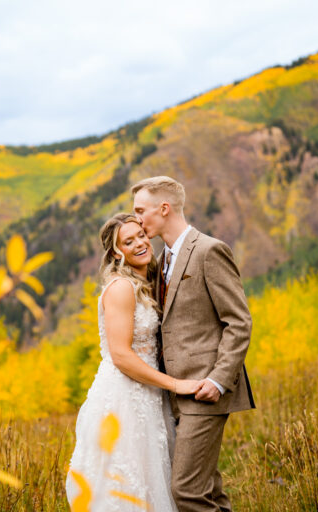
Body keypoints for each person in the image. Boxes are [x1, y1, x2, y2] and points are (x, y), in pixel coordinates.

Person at [132, 176, 255, 512]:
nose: (137, 219)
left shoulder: (208, 250)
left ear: (164, 208)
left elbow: (239, 321)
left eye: (140, 211)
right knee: (208, 490)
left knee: (186, 490)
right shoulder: (161, 260)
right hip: (175, 393)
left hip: (204, 388)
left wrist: (218, 380)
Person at [65, 213, 203, 511]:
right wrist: (176, 385)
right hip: (124, 398)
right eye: (129, 241)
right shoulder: (121, 288)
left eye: (141, 235)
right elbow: (122, 356)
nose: (140, 243)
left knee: (152, 484)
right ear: (117, 252)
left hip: (147, 396)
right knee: (126, 486)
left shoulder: (143, 282)